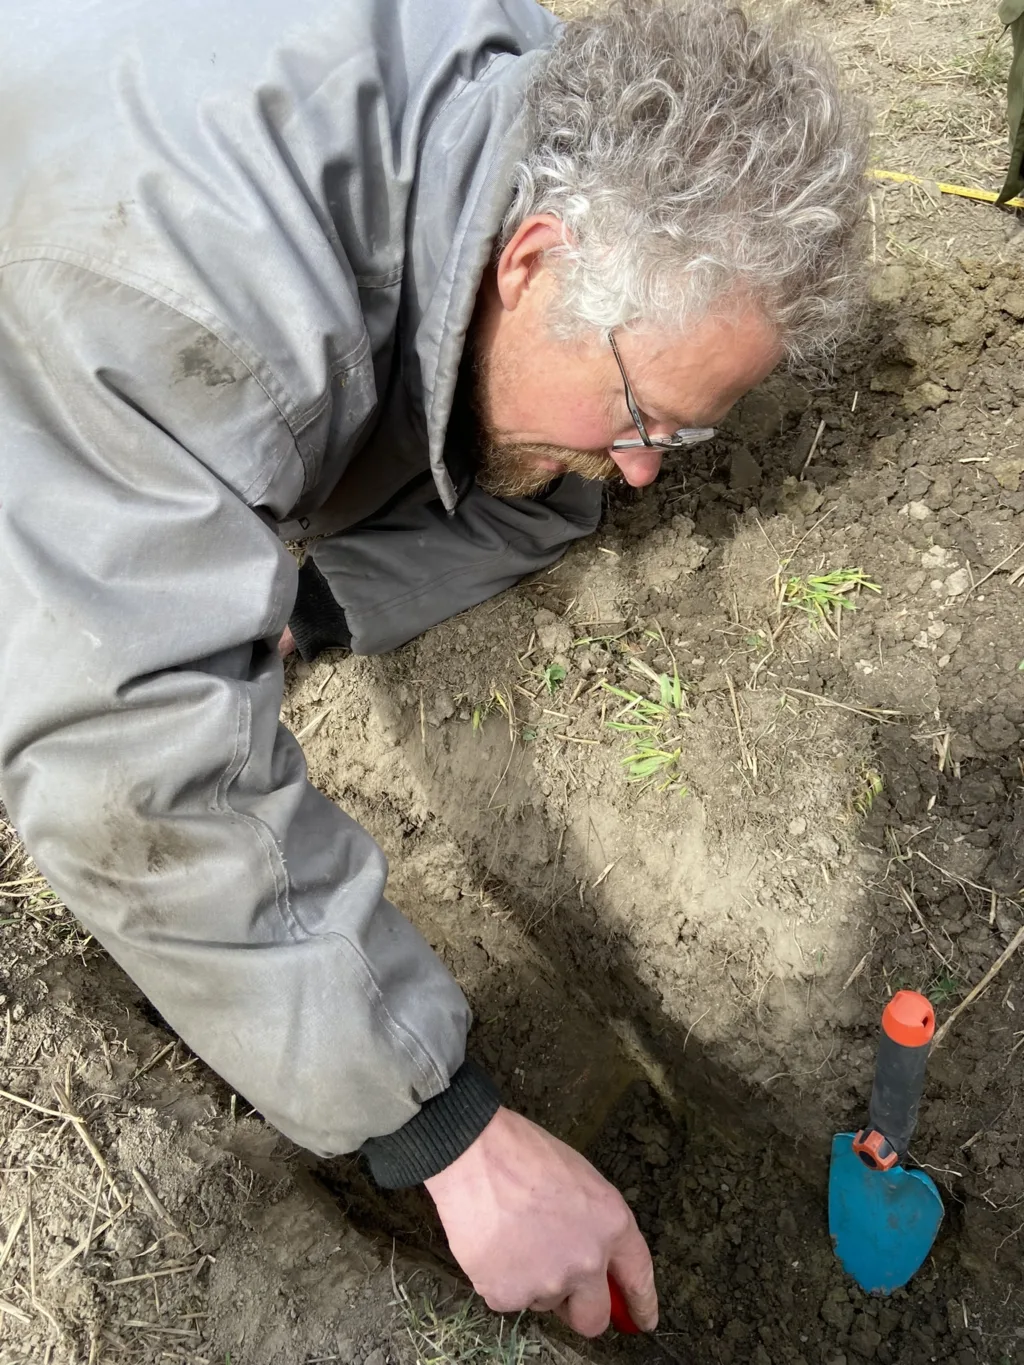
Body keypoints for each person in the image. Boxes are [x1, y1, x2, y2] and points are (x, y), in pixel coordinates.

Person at [0, 0, 868, 1337]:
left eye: (682, 439)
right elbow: (128, 768)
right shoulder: (196, 305)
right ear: (531, 260)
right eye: (646, 418)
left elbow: (541, 467)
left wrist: (320, 603)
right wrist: (450, 1136)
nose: (644, 469)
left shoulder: (513, 98)